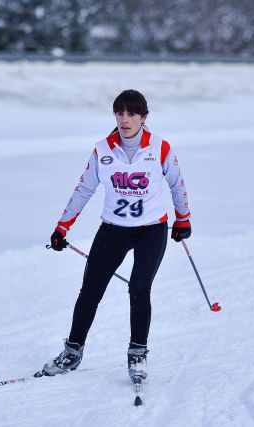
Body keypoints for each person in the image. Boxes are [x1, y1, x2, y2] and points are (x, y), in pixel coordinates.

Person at [39, 89, 192, 382]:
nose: (124, 119)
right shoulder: (103, 150)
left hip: (151, 230)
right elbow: (84, 189)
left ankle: (137, 356)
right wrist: (62, 227)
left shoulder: (160, 148)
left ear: (143, 117)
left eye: (132, 114)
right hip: (113, 229)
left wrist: (183, 219)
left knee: (139, 289)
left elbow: (177, 184)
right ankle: (72, 351)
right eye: (119, 113)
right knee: (90, 291)